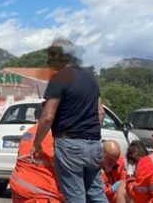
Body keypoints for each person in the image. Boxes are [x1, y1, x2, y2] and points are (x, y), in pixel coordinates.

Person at [33, 44, 106, 203]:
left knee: (75, 197)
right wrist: (90, 132)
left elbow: (47, 116)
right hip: (94, 143)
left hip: (70, 144)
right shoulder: (91, 79)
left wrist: (36, 144)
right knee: (96, 194)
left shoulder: (59, 78)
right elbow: (100, 112)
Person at [10, 112, 64, 203]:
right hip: (41, 190)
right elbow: (60, 164)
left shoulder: (28, 133)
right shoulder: (49, 134)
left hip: (19, 185)